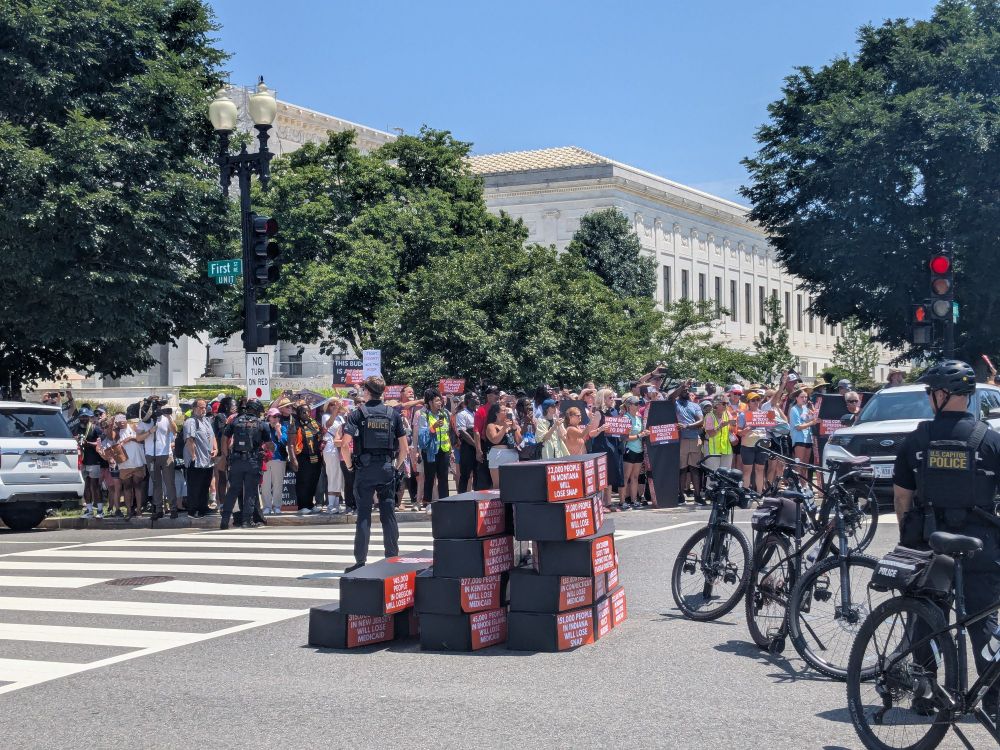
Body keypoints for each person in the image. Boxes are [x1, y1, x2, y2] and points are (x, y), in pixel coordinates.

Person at [892, 359, 1000, 717]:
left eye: (929, 392)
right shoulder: (990, 439)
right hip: (980, 543)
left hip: (929, 541)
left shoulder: (917, 439)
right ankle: (993, 693)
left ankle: (928, 690)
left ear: (941, 394)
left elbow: (902, 498)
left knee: (927, 616)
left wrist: (909, 536)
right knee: (983, 619)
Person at [342, 376, 409, 572]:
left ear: (367, 391)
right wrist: (396, 467)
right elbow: (404, 448)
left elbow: (345, 445)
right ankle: (392, 558)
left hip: (364, 469)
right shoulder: (392, 414)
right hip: (386, 468)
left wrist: (350, 467)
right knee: (388, 515)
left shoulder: (358, 414)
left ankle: (360, 561)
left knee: (364, 515)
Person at [220, 399, 272, 530]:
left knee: (233, 491)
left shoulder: (236, 421)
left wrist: (226, 456)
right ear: (256, 410)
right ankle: (246, 521)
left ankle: (225, 520)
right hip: (252, 461)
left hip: (236, 460)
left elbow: (224, 437)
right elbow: (270, 444)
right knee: (250, 492)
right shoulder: (262, 424)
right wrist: (270, 448)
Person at [136, 397, 176, 521]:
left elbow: (175, 431)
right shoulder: (145, 421)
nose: (159, 409)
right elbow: (138, 438)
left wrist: (169, 417)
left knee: (169, 483)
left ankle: (173, 508)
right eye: (156, 407)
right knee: (156, 483)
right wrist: (149, 432)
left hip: (166, 454)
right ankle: (159, 509)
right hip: (151, 455)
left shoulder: (166, 418)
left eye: (160, 407)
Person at [670, 381, 705, 505]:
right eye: (683, 390)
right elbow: (671, 397)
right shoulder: (676, 403)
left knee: (695, 469)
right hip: (681, 440)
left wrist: (687, 426)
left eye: (687, 390)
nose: (686, 391)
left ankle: (697, 495)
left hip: (694, 438)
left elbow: (701, 421)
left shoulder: (694, 405)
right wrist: (681, 386)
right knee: (682, 469)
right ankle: (681, 495)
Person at [182, 399, 217, 518]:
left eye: (205, 407)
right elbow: (189, 440)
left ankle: (203, 507)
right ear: (194, 408)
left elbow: (212, 436)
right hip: (196, 461)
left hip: (207, 461)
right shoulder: (191, 422)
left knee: (204, 485)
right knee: (194, 486)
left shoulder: (206, 420)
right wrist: (193, 456)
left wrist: (215, 449)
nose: (204, 410)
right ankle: (193, 510)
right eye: (201, 407)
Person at [417, 388, 452, 506]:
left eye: (440, 400)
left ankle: (445, 501)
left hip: (444, 450)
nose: (440, 403)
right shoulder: (424, 415)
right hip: (430, 451)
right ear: (430, 402)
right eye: (437, 400)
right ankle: (427, 501)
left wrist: (450, 449)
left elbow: (447, 432)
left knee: (443, 477)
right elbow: (422, 435)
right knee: (430, 477)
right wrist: (433, 427)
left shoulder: (445, 413)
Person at [591, 388, 624, 512]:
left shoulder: (614, 412)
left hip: (613, 445)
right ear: (603, 399)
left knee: (611, 474)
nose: (612, 399)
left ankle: (609, 503)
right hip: (602, 446)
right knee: (603, 475)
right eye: (610, 397)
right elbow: (591, 433)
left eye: (613, 397)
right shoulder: (599, 413)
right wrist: (601, 429)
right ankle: (602, 503)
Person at [290, 403, 322, 515]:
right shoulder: (295, 424)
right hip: (302, 457)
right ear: (299, 413)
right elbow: (291, 444)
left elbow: (321, 434)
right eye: (304, 412)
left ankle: (309, 504)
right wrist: (293, 459)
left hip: (316, 457)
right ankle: (302, 505)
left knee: (313, 481)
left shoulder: (314, 423)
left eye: (308, 411)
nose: (306, 413)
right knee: (303, 481)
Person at [621, 395, 650, 511]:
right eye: (636, 404)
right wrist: (639, 435)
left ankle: (634, 500)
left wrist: (644, 433)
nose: (639, 406)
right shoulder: (625, 418)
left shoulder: (638, 418)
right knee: (626, 477)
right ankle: (622, 501)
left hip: (639, 450)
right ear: (629, 406)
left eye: (639, 404)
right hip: (629, 450)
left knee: (635, 477)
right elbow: (624, 437)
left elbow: (640, 433)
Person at [484, 402, 522, 486]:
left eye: (507, 410)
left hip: (512, 453)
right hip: (498, 454)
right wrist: (504, 427)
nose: (506, 413)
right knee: (498, 485)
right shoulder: (491, 425)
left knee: (513, 483)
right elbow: (495, 440)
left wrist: (515, 428)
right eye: (503, 411)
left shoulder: (511, 425)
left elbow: (519, 441)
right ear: (496, 413)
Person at [75, 407, 103, 519]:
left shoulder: (95, 428)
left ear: (90, 417)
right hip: (82, 461)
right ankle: (89, 510)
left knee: (95, 486)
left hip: (94, 461)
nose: (84, 418)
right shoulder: (76, 428)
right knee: (86, 487)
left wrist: (88, 443)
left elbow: (100, 444)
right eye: (82, 416)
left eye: (86, 416)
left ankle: (100, 510)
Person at [737, 392, 768, 492]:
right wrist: (749, 428)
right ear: (748, 402)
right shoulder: (743, 415)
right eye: (753, 400)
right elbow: (739, 432)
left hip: (762, 446)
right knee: (747, 470)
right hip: (748, 445)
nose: (756, 402)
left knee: (760, 470)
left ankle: (759, 493)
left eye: (758, 400)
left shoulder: (764, 414)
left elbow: (770, 428)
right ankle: (745, 493)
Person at [703, 395, 735, 488]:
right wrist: (721, 426)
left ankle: (723, 496)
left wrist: (732, 427)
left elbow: (732, 428)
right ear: (716, 405)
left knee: (725, 474)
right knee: (713, 474)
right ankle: (711, 496)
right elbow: (711, 434)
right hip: (711, 449)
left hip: (726, 448)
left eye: (727, 403)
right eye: (724, 403)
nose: (726, 406)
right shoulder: (709, 416)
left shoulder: (727, 413)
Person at [320, 400, 346, 514]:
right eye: (332, 404)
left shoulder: (341, 418)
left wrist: (342, 409)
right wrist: (335, 411)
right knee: (332, 474)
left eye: (336, 404)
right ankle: (330, 504)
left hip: (340, 446)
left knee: (339, 475)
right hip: (330, 446)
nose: (334, 406)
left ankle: (336, 503)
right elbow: (328, 425)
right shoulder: (325, 416)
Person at [261, 408, 288, 515]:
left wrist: (278, 430)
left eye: (278, 416)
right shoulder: (264, 427)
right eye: (274, 416)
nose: (276, 419)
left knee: (278, 484)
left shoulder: (283, 427)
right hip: (265, 459)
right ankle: (267, 506)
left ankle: (277, 506)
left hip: (279, 459)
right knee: (265, 484)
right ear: (269, 417)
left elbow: (284, 442)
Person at [788, 387, 819, 480]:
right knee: (799, 464)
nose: (804, 399)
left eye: (806, 397)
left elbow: (813, 418)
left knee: (805, 464)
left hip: (808, 438)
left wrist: (813, 409)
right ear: (796, 398)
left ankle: (804, 485)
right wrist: (811, 423)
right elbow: (797, 427)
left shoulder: (806, 408)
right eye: (802, 397)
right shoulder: (794, 409)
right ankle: (797, 485)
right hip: (799, 438)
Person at [474, 385, 500, 489]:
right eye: (494, 394)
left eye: (497, 394)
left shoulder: (502, 409)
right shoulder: (481, 410)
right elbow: (476, 432)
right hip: (487, 445)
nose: (497, 396)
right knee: (485, 476)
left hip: (501, 445)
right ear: (488, 396)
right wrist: (478, 450)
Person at [455, 392, 479, 493]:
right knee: (465, 475)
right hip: (468, 447)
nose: (478, 399)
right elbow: (463, 432)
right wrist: (476, 445)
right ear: (469, 400)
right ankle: (462, 499)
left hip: (479, 447)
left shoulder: (478, 412)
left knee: (478, 474)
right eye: (475, 398)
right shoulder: (462, 414)